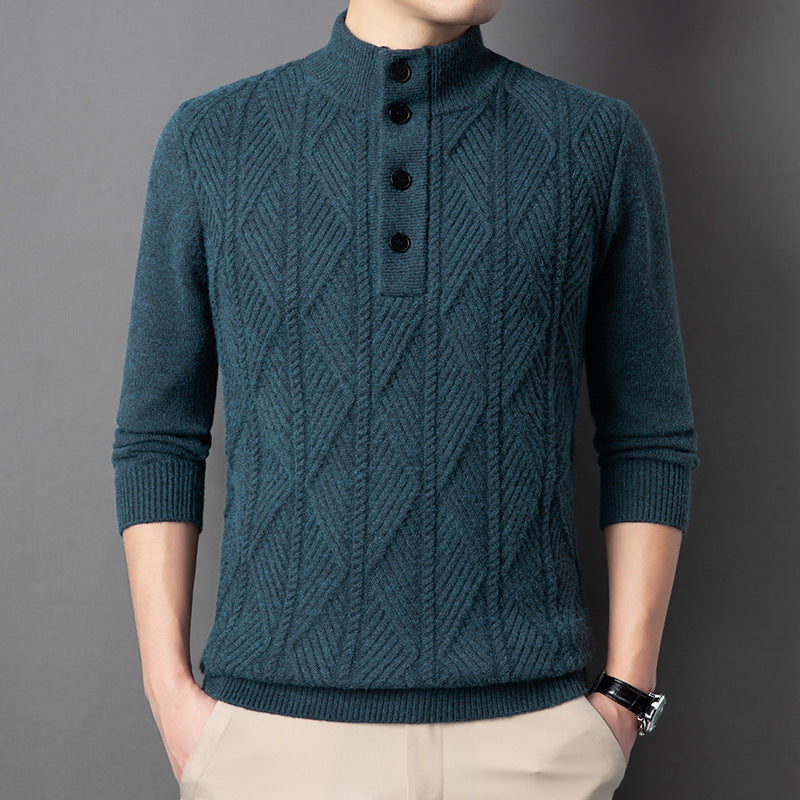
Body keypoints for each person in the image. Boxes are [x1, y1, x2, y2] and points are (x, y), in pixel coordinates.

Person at [111, 1, 700, 798]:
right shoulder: (212, 139)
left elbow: (648, 434)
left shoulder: (593, 140)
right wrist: (166, 690)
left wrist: (628, 695)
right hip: (272, 741)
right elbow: (160, 434)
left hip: (533, 741)